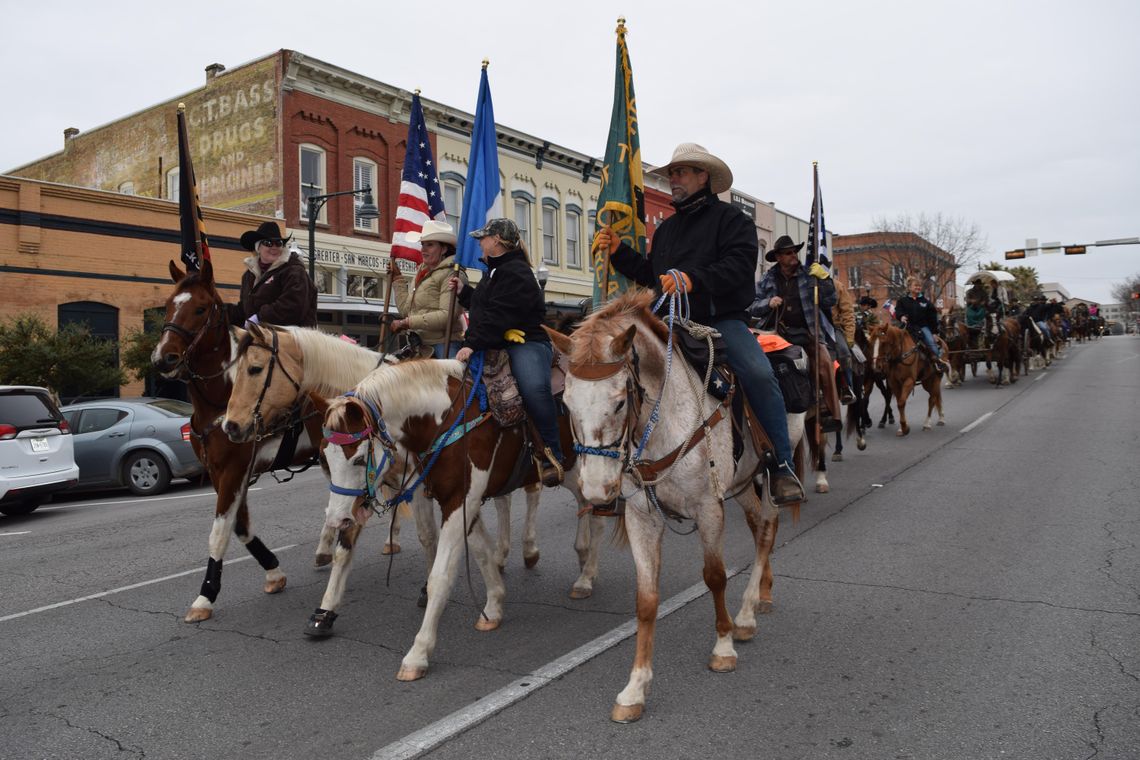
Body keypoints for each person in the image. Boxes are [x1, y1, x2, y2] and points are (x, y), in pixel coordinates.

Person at [594, 143, 805, 505]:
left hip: (720, 321)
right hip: (670, 321)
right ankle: (619, 468)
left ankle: (781, 465)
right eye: (672, 173)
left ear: (702, 176)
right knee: (620, 378)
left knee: (758, 373)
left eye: (681, 172)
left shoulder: (733, 220)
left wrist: (695, 278)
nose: (673, 179)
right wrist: (620, 253)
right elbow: (652, 275)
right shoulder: (667, 231)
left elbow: (739, 266)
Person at [451, 218, 564, 487]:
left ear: (497, 241)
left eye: (484, 238)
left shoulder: (516, 271)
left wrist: (472, 343)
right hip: (498, 339)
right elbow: (486, 306)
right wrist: (465, 293)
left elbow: (500, 313)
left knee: (534, 388)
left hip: (527, 342)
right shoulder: (496, 272)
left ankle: (551, 452)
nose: (480, 242)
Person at [751, 235, 844, 433]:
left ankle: (829, 412)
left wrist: (825, 279)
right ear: (778, 257)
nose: (794, 255)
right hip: (777, 335)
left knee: (825, 361)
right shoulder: (767, 278)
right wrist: (768, 303)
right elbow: (752, 305)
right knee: (755, 363)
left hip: (807, 332)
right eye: (788, 253)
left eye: (795, 251)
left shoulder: (809, 274)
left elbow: (830, 300)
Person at [388, 220, 465, 358]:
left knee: (450, 378)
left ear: (444, 249)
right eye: (422, 244)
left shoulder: (452, 273)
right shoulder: (422, 273)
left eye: (429, 245)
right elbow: (406, 311)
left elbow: (446, 316)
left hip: (443, 345)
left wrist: (407, 322)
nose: (423, 250)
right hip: (418, 346)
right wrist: (398, 279)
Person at [228, 221, 317, 327]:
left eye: (278, 243)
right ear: (258, 248)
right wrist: (221, 311)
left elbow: (293, 306)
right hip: (261, 337)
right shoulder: (248, 276)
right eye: (268, 243)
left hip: (292, 339)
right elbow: (245, 309)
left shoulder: (294, 270)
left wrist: (259, 317)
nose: (274, 247)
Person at [894, 275, 949, 372]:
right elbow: (898, 311)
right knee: (893, 343)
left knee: (931, 343)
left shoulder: (926, 302)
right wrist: (901, 316)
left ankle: (938, 363)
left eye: (919, 286)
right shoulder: (902, 301)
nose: (918, 287)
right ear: (909, 287)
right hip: (908, 326)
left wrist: (934, 333)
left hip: (923, 327)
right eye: (916, 286)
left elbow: (932, 318)